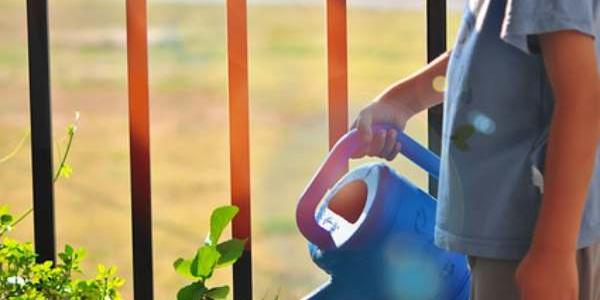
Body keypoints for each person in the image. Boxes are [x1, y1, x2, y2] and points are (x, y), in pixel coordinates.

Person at [350, 0, 600, 299]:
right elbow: (489, 45)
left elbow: (582, 101)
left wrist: (553, 252)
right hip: (508, 230)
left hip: (532, 236)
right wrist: (403, 101)